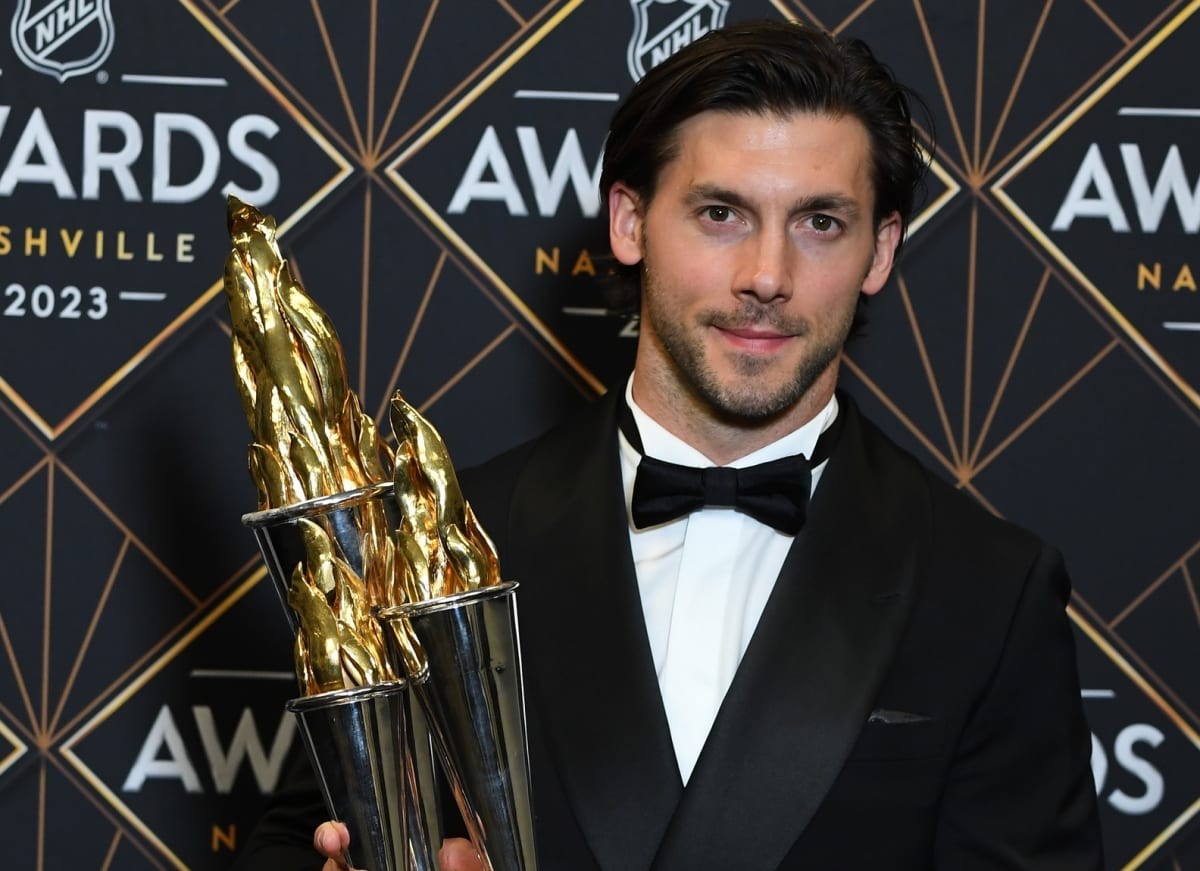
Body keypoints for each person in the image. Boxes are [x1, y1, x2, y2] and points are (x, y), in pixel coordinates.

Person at [241, 19, 1104, 870]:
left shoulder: (988, 588)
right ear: (630, 221)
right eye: (721, 213)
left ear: (880, 250)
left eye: (820, 222)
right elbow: (305, 838)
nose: (767, 275)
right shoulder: (437, 545)